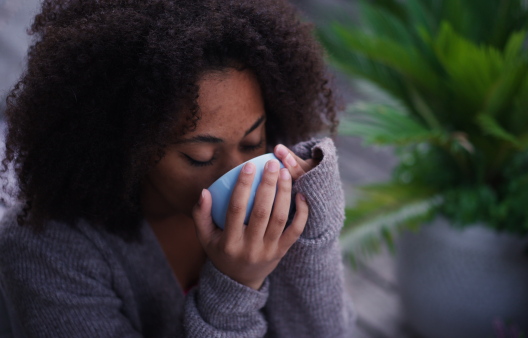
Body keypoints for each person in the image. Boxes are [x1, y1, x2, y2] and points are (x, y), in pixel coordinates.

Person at [0, 0, 355, 336]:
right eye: (200, 156)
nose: (243, 173)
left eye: (252, 142)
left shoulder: (275, 194)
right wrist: (235, 288)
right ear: (123, 145)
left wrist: (312, 228)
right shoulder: (44, 253)